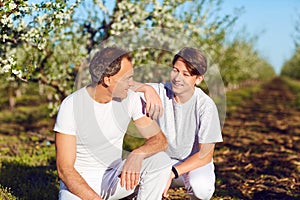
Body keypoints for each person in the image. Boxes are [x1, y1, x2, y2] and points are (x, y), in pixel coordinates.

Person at [54, 47, 171, 200]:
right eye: (127, 78)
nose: (132, 84)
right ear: (107, 79)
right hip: (79, 186)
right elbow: (65, 169)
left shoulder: (130, 98)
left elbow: (160, 140)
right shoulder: (71, 106)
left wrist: (138, 153)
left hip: (115, 178)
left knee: (161, 161)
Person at [134, 47, 223, 199]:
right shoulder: (160, 91)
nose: (177, 78)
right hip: (162, 160)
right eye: (175, 70)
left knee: (201, 188)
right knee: (130, 179)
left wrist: (172, 173)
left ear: (199, 79)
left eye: (185, 74)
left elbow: (205, 155)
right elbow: (122, 83)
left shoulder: (205, 106)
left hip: (193, 164)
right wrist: (145, 88)